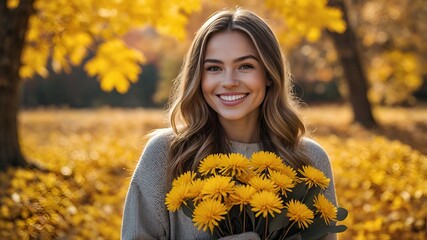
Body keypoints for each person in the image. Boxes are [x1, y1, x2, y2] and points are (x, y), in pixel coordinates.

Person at [121, 8, 338, 240]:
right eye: (214, 68)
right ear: (199, 77)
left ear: (268, 74)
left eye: (245, 66)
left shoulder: (309, 160)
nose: (229, 82)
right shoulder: (165, 155)